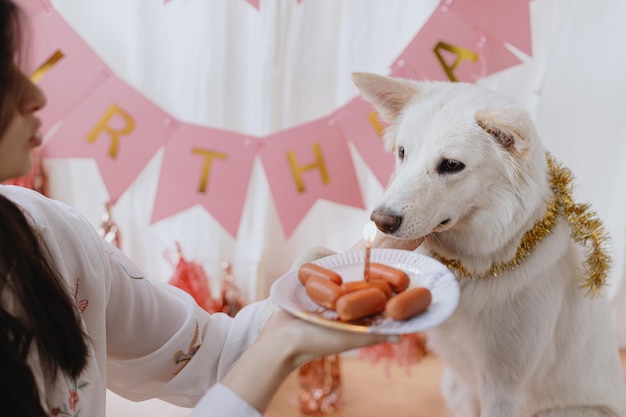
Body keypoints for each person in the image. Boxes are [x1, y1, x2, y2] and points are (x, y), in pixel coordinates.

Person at [0, 1, 397, 415]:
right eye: (6, 72)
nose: (36, 94)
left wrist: (386, 244)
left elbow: (210, 352)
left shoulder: (52, 236)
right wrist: (279, 347)